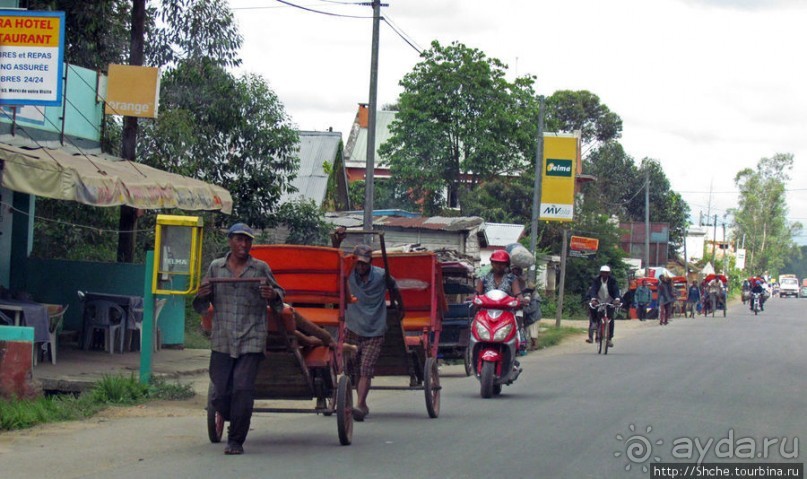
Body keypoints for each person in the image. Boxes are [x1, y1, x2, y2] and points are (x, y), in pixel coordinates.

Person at [193, 223, 285, 455]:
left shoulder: (260, 269)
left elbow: (279, 299)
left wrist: (272, 294)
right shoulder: (216, 268)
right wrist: (201, 296)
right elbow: (201, 306)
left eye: (247, 241)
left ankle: (236, 441)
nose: (243, 245)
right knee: (219, 393)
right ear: (230, 241)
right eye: (239, 240)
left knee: (243, 389)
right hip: (223, 338)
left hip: (251, 337)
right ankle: (236, 416)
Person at [345, 244, 403, 422]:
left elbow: (395, 288)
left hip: (375, 329)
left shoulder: (381, 276)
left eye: (365, 263)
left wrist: (401, 307)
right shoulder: (347, 274)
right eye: (359, 263)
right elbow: (335, 263)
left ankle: (360, 404)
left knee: (365, 369)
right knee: (351, 369)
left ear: (370, 262)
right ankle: (353, 402)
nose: (361, 266)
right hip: (353, 328)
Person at [586, 265, 621, 347]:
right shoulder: (596, 280)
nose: (604, 275)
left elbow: (616, 290)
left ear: (609, 274)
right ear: (600, 273)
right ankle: (594, 324)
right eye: (603, 273)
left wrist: (617, 299)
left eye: (606, 273)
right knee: (592, 308)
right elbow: (593, 289)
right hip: (599, 299)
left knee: (610, 319)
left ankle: (609, 339)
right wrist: (593, 299)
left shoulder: (612, 280)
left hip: (610, 300)